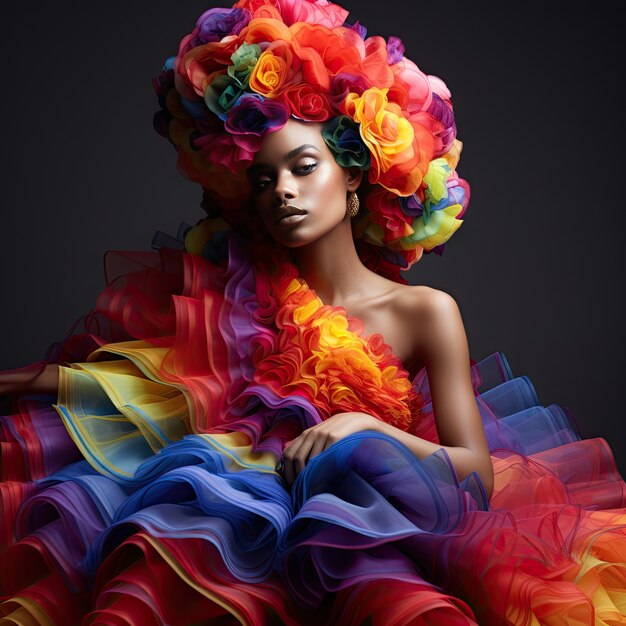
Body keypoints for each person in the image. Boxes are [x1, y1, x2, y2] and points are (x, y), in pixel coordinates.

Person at [1, 1, 625, 624]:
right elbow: (156, 386)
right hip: (234, 537)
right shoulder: (237, 293)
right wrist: (36, 381)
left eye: (303, 168)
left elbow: (476, 476)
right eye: (265, 180)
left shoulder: (424, 312)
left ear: (355, 177)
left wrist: (366, 429)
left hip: (369, 541)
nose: (284, 193)